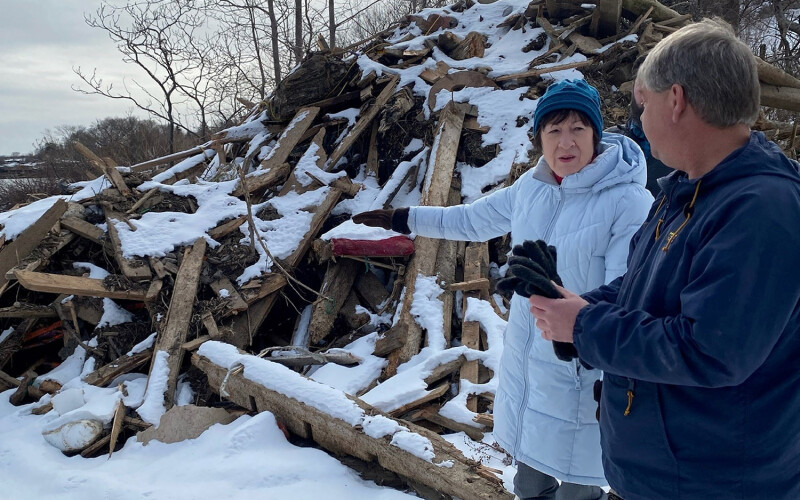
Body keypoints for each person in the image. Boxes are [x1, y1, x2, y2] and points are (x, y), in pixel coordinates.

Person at [529, 19, 800, 500]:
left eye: (643, 103)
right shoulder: (685, 189)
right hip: (662, 472)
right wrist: (578, 305)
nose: (637, 122)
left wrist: (587, 327)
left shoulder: (762, 210)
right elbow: (645, 288)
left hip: (714, 483)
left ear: (675, 100)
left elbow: (711, 351)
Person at [354, 79, 653, 500]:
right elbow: (471, 219)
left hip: (585, 376)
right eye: (554, 130)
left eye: (578, 128)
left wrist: (607, 361)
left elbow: (630, 293)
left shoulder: (629, 201)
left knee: (578, 493)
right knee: (528, 486)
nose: (566, 142)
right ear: (539, 138)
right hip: (528, 369)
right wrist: (403, 219)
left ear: (596, 133)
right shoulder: (532, 189)